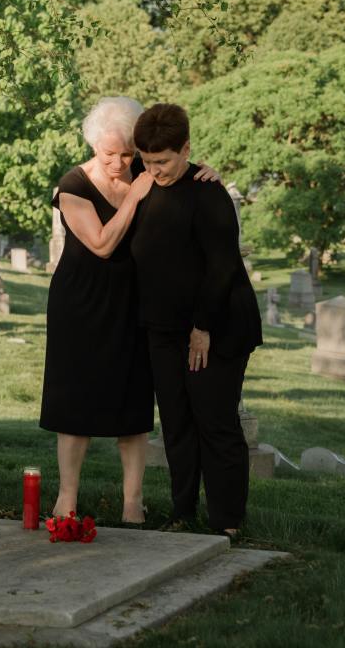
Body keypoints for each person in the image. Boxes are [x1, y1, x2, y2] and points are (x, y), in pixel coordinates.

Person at [39, 97, 216, 525]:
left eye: (127, 154)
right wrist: (134, 199)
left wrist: (208, 174)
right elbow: (100, 244)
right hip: (80, 303)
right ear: (93, 145)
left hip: (135, 300)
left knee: (134, 405)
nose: (120, 163)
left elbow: (178, 172)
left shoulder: (143, 169)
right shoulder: (73, 186)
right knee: (75, 401)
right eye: (109, 154)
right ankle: (67, 499)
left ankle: (133, 503)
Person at [129, 102, 261, 535]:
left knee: (215, 422)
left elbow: (222, 265)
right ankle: (182, 513)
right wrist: (144, 170)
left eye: (163, 161)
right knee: (176, 424)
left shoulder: (209, 193)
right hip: (162, 327)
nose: (155, 170)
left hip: (217, 324)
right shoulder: (142, 176)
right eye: (147, 161)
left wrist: (202, 328)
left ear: (186, 149)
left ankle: (228, 522)